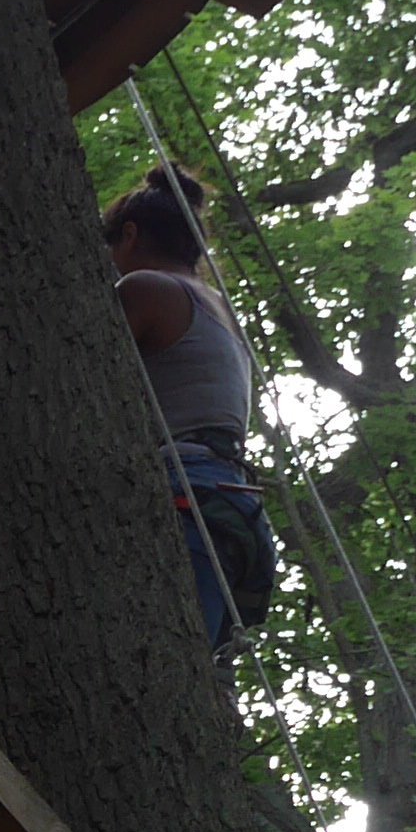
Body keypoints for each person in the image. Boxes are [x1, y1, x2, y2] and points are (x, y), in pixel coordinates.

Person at [106, 164, 280, 652]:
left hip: (191, 500)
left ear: (131, 235)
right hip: (230, 509)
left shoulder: (145, 290)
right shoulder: (218, 310)